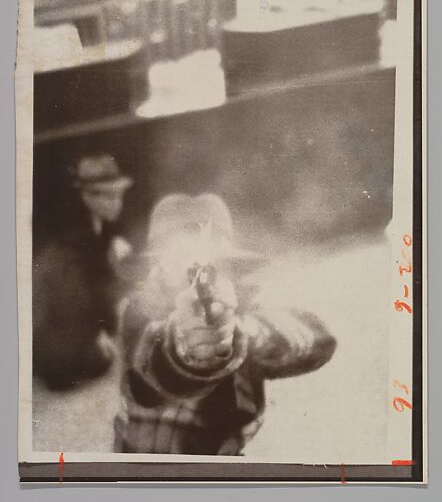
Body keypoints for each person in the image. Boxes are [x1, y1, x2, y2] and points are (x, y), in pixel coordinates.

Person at [114, 193, 337, 455]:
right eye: (182, 259)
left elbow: (317, 337)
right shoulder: (137, 314)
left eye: (211, 263)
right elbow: (163, 355)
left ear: (231, 270)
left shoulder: (246, 314)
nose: (196, 275)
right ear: (156, 268)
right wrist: (192, 347)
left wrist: (244, 332)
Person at [33, 154, 134, 390]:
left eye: (119, 195)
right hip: (60, 339)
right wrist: (97, 333)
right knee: (102, 362)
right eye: (109, 196)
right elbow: (72, 297)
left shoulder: (98, 228)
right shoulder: (72, 240)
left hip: (77, 325)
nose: (117, 203)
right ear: (87, 196)